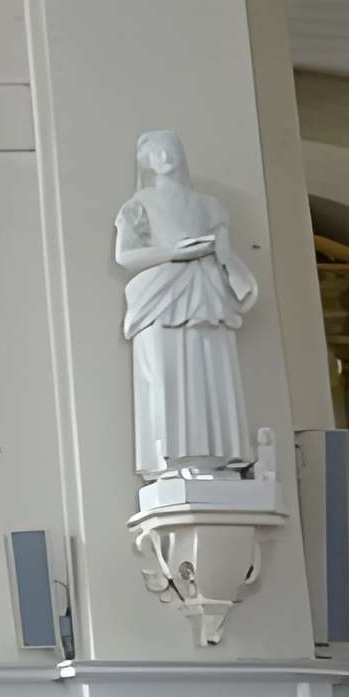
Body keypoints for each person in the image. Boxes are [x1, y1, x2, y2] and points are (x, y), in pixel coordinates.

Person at [115, 130, 258, 481]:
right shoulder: (139, 205)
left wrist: (223, 258)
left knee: (212, 369)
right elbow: (125, 256)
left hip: (207, 291)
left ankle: (220, 457)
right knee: (167, 376)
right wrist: (174, 252)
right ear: (146, 163)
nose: (164, 156)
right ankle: (173, 459)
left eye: (169, 147)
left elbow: (225, 255)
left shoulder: (210, 205)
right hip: (162, 295)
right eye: (155, 151)